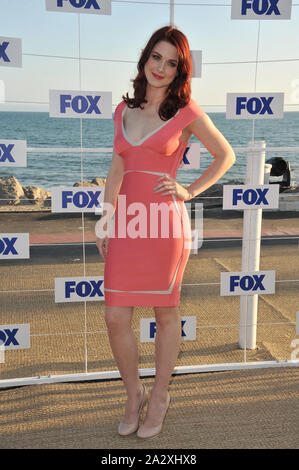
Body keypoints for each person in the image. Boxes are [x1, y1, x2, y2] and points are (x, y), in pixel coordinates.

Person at [95, 25, 236, 439]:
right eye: (156, 57)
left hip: (164, 225)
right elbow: (117, 169)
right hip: (127, 224)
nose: (161, 67)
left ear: (180, 71)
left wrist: (189, 190)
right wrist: (105, 219)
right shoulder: (123, 111)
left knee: (165, 312)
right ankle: (133, 392)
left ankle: (159, 396)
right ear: (145, 59)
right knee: (115, 314)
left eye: (172, 62)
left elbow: (225, 156)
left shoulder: (186, 111)